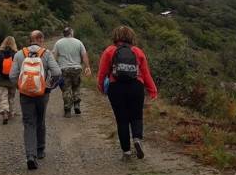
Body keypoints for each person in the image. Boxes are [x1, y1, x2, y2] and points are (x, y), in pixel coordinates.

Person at [97, 25, 158, 161]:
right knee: (137, 116)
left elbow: (102, 73)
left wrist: (101, 87)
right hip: (136, 86)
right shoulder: (137, 51)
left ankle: (126, 153)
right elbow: (146, 73)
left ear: (115, 36)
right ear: (131, 36)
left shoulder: (109, 51)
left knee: (122, 120)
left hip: (116, 87)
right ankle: (137, 139)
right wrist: (152, 90)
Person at [10, 30, 62, 170]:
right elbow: (57, 72)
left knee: (28, 123)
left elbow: (12, 75)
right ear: (40, 39)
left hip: (25, 94)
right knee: (40, 119)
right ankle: (40, 150)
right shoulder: (46, 53)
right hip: (42, 93)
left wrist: (20, 87)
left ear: (30, 39)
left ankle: (30, 156)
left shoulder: (20, 54)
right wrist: (49, 86)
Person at [52, 26, 92, 117]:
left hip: (64, 69)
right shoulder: (78, 42)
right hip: (77, 69)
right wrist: (87, 67)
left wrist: (54, 69)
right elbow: (84, 55)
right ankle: (77, 104)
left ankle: (67, 110)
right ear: (71, 33)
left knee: (66, 89)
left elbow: (54, 57)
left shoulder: (58, 43)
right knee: (76, 86)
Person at [0, 36, 19, 124]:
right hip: (12, 80)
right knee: (11, 97)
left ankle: (4, 112)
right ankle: (11, 113)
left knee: (3, 97)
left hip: (1, 79)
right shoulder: (16, 54)